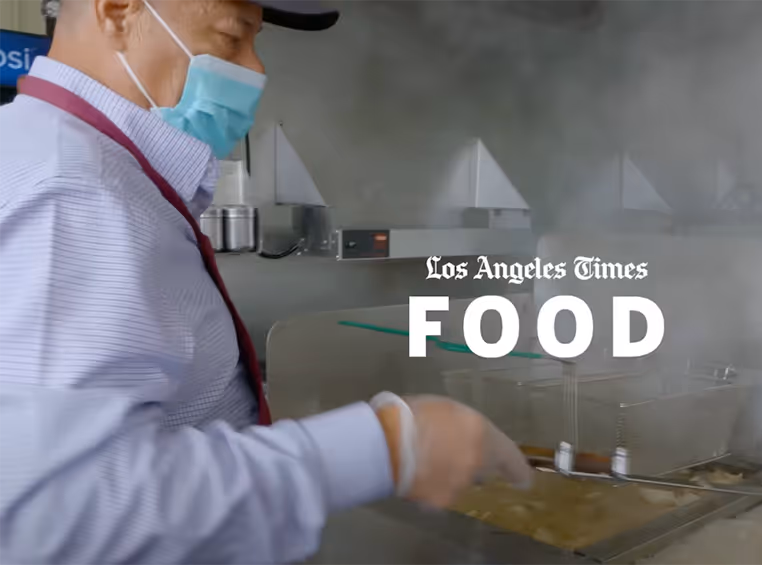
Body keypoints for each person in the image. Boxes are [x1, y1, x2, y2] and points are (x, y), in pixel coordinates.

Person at [0, 1, 532, 564]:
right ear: (117, 10)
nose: (254, 69)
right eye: (232, 37)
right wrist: (388, 445)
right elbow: (63, 512)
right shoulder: (76, 192)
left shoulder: (58, 155)